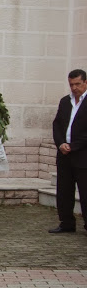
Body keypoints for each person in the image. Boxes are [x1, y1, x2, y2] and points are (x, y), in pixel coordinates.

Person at [48, 69, 87, 234]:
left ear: (85, 82)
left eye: (78, 84)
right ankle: (66, 223)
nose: (74, 88)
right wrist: (61, 143)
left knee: (85, 192)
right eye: (71, 84)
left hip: (82, 154)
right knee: (64, 191)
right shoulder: (65, 101)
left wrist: (74, 145)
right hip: (64, 154)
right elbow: (57, 125)